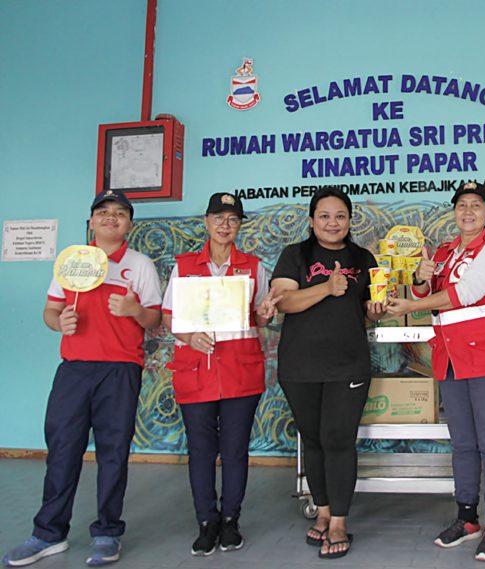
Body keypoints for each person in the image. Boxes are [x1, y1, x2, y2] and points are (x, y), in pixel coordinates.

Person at [2, 189, 162, 568]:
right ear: (92, 221)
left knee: (113, 453)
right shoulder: (72, 262)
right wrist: (60, 321)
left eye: (120, 213)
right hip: (74, 369)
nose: (111, 218)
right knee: (62, 449)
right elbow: (50, 311)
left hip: (120, 369)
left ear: (129, 224)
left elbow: (155, 320)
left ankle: (107, 532)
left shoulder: (139, 265)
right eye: (104, 212)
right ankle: (48, 533)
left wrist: (134, 309)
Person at [386, 182, 485, 563]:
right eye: (461, 205)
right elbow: (432, 292)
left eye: (476, 205)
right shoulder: (444, 251)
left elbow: (465, 293)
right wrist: (422, 277)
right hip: (450, 358)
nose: (468, 211)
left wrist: (415, 299)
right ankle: (467, 518)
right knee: (462, 443)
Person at [270, 187, 385, 560]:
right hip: (299, 366)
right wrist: (326, 288)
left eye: (340, 216)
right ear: (312, 220)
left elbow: (369, 310)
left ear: (350, 220)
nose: (332, 223)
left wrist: (377, 308)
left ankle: (338, 521)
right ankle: (321, 510)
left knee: (338, 439)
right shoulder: (295, 255)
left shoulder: (363, 257)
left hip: (348, 364)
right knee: (314, 439)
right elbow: (284, 300)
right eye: (324, 216)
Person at [161, 192, 279, 556]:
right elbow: (169, 317)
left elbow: (261, 316)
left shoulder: (253, 266)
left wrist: (265, 314)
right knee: (200, 451)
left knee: (234, 450)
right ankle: (206, 521)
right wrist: (188, 335)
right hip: (195, 370)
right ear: (207, 222)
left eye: (233, 219)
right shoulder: (183, 266)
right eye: (219, 218)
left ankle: (230, 520)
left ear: (240, 224)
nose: (225, 225)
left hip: (240, 371)